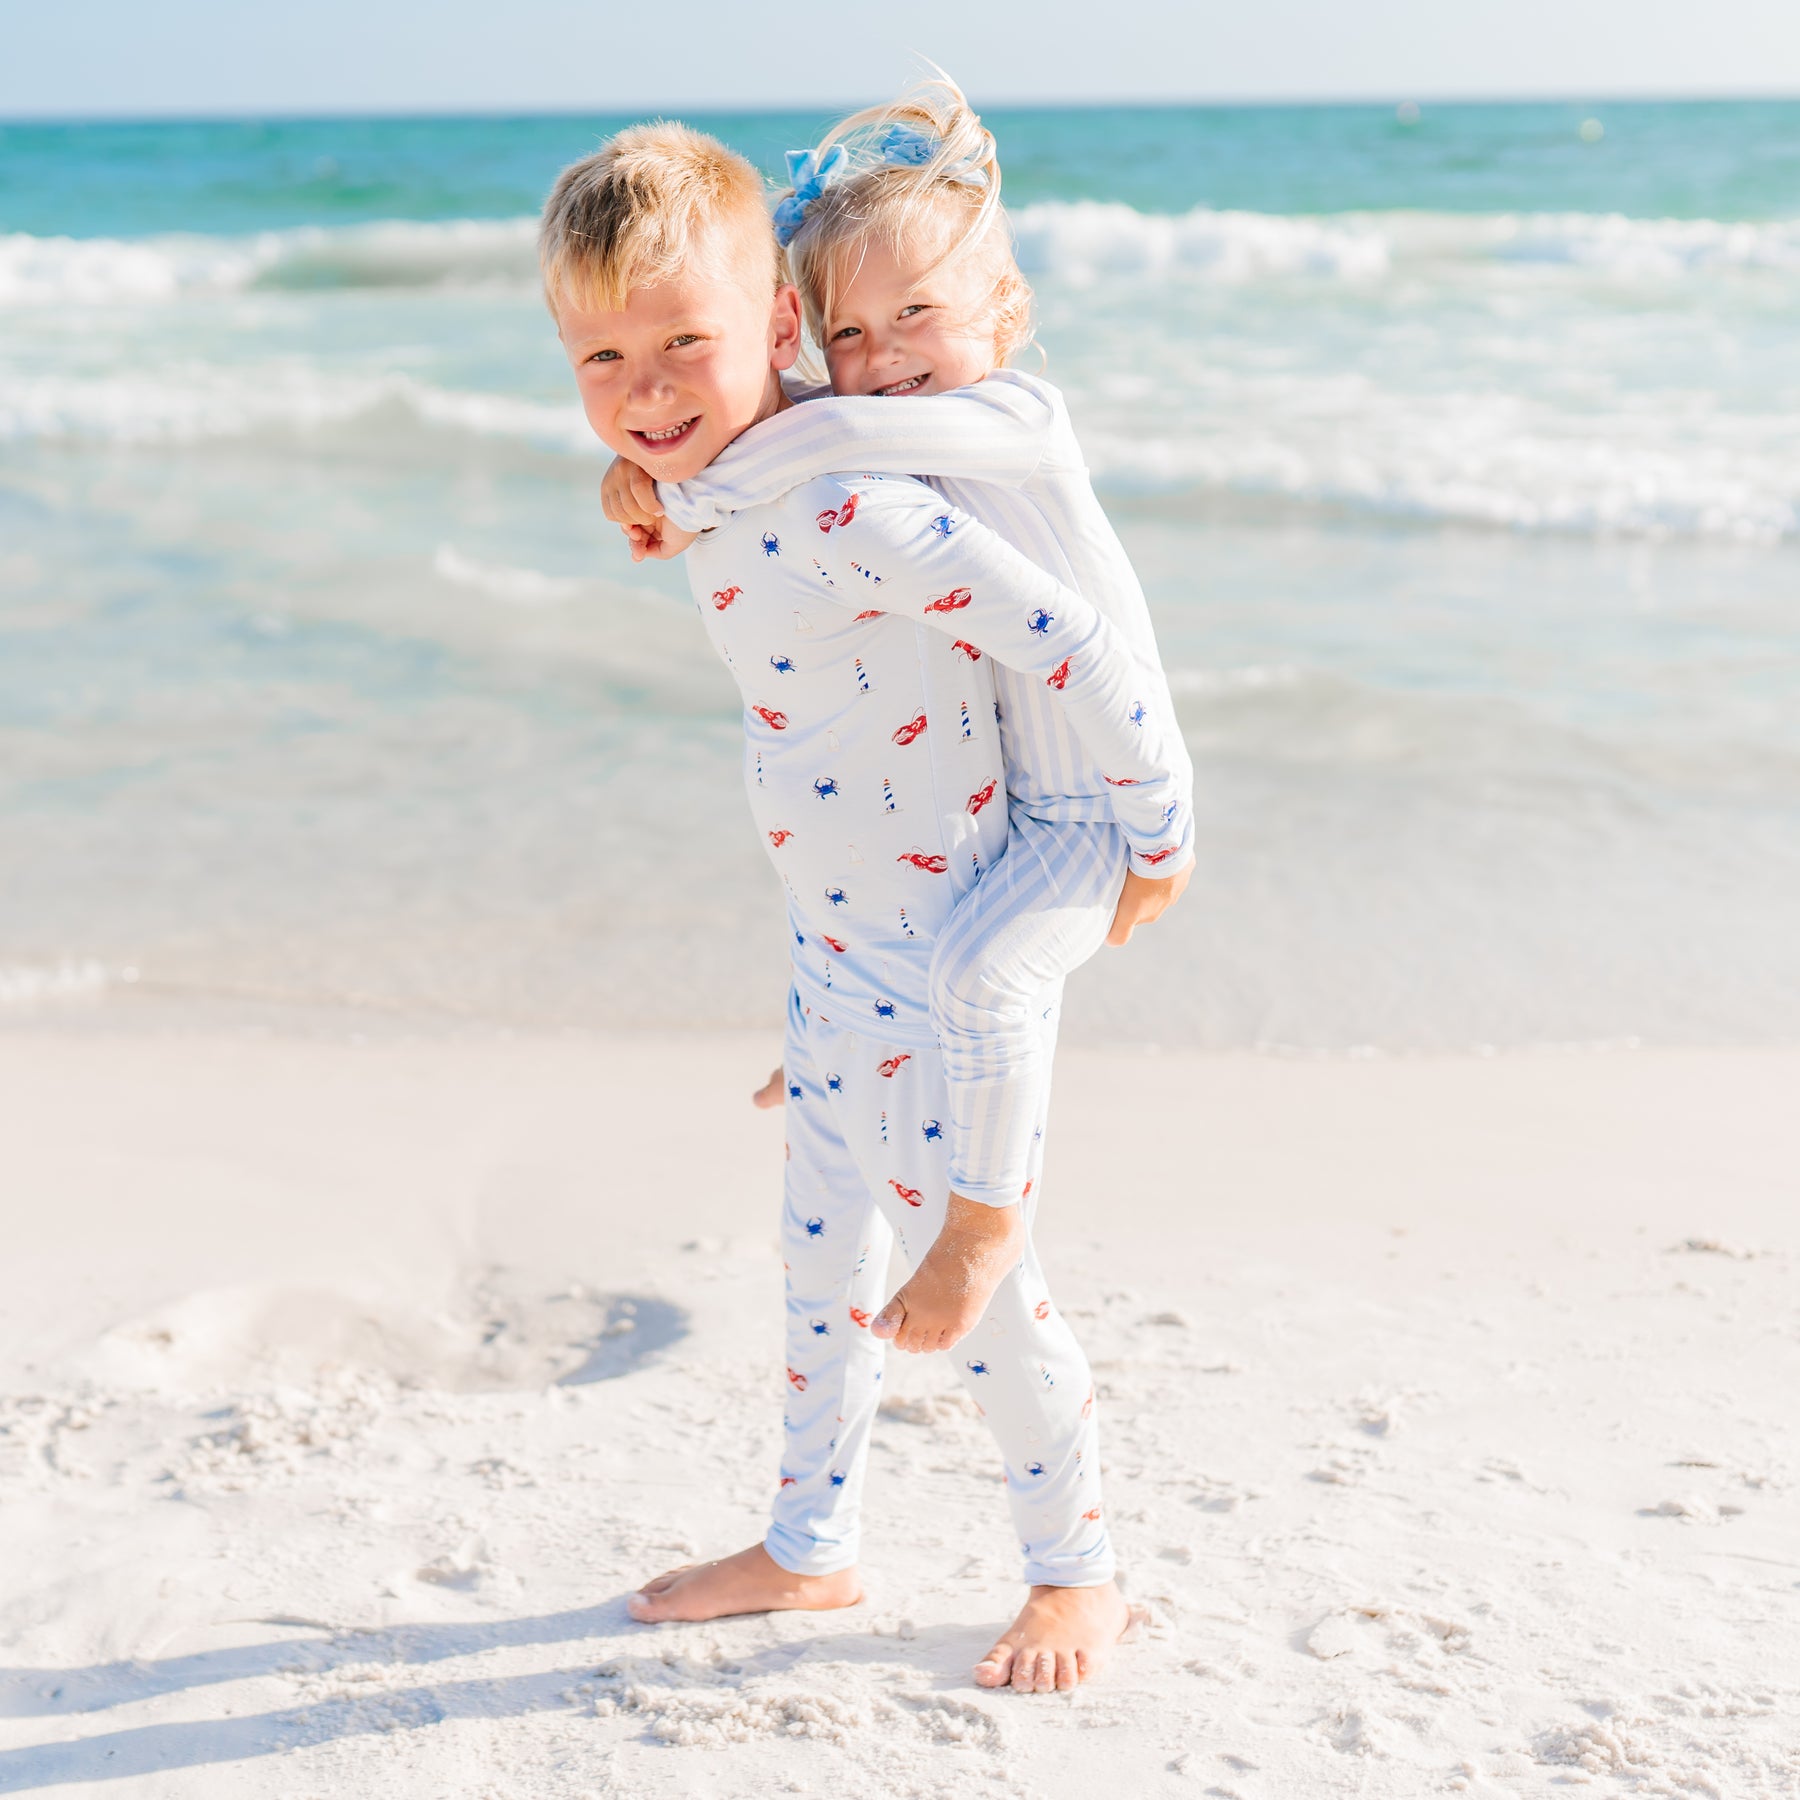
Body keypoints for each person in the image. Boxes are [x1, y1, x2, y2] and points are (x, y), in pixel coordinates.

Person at [541, 107, 1190, 1693]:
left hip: (938, 955)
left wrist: (1160, 834)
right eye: (602, 362)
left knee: (982, 1295)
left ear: (774, 327)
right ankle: (809, 1548)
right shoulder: (716, 483)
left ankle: (1078, 1574)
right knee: (816, 1271)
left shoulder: (855, 508)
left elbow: (1077, 645)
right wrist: (633, 487)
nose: (644, 395)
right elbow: (696, 482)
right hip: (832, 952)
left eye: (683, 345)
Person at [601, 76, 1192, 1342]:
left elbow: (800, 454)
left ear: (1007, 309)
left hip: (1099, 796)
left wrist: (1166, 831)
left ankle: (985, 1226)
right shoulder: (886, 426)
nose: (881, 358)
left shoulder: (1017, 418)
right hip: (1021, 803)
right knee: (886, 927)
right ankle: (830, 1047)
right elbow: (805, 435)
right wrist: (663, 471)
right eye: (851, 332)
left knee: (981, 981)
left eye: (916, 312)